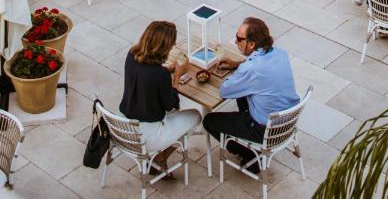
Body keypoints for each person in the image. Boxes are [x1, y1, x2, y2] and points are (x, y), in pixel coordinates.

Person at [203, 17, 299, 173]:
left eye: (239, 38)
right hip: (288, 122)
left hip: (266, 130)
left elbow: (225, 91)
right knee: (244, 93)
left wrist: (237, 73)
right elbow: (258, 68)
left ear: (252, 44)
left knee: (209, 120)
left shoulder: (251, 69)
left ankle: (252, 158)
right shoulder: (280, 54)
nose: (235, 41)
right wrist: (237, 64)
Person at [119, 21, 201, 171]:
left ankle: (160, 156)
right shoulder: (159, 75)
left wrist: (167, 69)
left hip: (123, 125)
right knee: (195, 116)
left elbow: (146, 74)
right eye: (171, 45)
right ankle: (160, 157)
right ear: (164, 47)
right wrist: (176, 77)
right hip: (145, 135)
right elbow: (171, 105)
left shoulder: (131, 54)